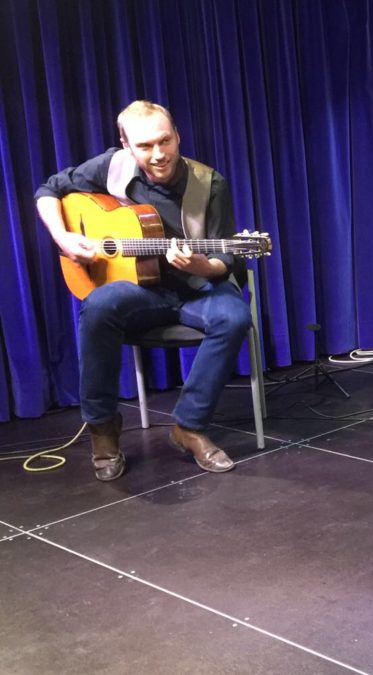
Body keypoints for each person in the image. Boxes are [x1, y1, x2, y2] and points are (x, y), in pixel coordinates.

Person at [36, 100, 251, 481]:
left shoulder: (209, 184)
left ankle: (188, 426)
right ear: (125, 144)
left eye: (164, 141)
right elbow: (49, 190)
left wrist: (202, 264)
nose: (158, 154)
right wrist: (65, 236)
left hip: (197, 288)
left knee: (234, 317)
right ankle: (102, 427)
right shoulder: (112, 165)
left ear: (177, 136)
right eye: (145, 146)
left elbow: (227, 259)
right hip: (141, 292)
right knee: (98, 305)